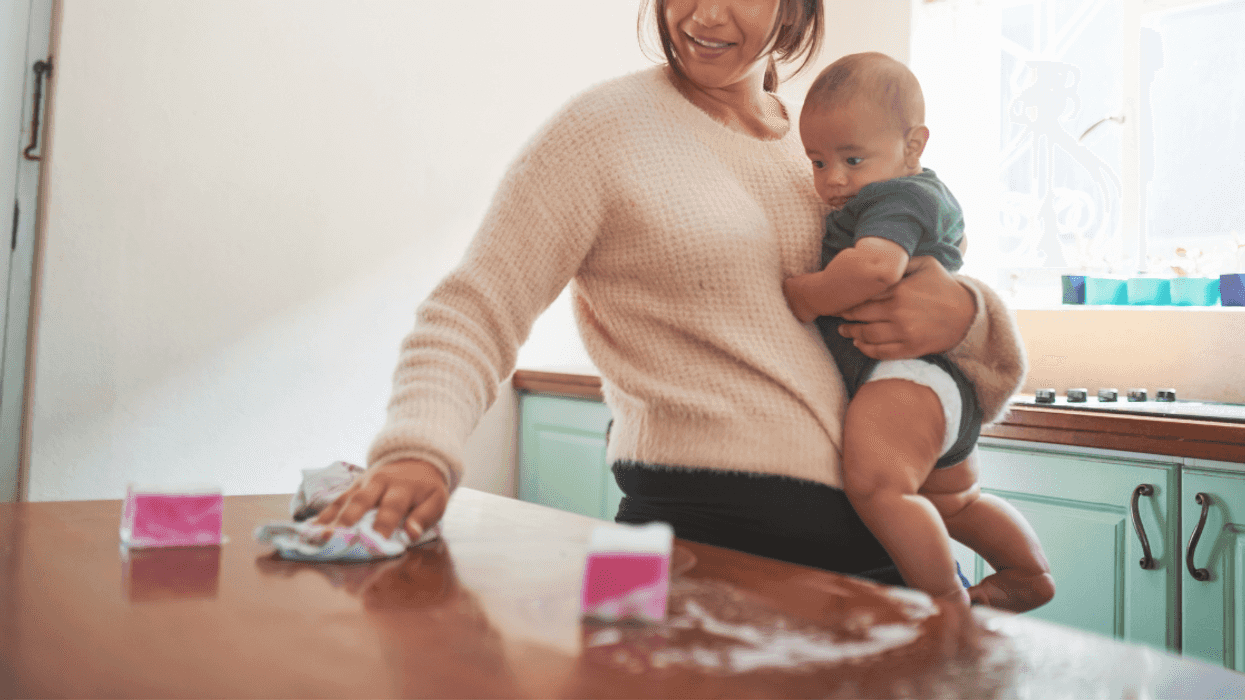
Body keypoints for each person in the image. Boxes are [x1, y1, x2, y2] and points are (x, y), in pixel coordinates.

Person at [314, 0, 1027, 592]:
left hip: (887, 556)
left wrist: (968, 313)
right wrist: (417, 451)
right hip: (699, 553)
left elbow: (923, 305)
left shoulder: (824, 150)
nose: (704, 13)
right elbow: (476, 307)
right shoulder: (602, 131)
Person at [781, 52, 1054, 610]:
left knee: (877, 487)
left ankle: (944, 603)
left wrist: (803, 295)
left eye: (852, 159)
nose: (832, 180)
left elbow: (876, 267)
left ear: (913, 146)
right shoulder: (905, 191)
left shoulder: (896, 198)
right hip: (938, 385)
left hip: (907, 377)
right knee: (955, 502)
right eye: (816, 162)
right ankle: (1025, 573)